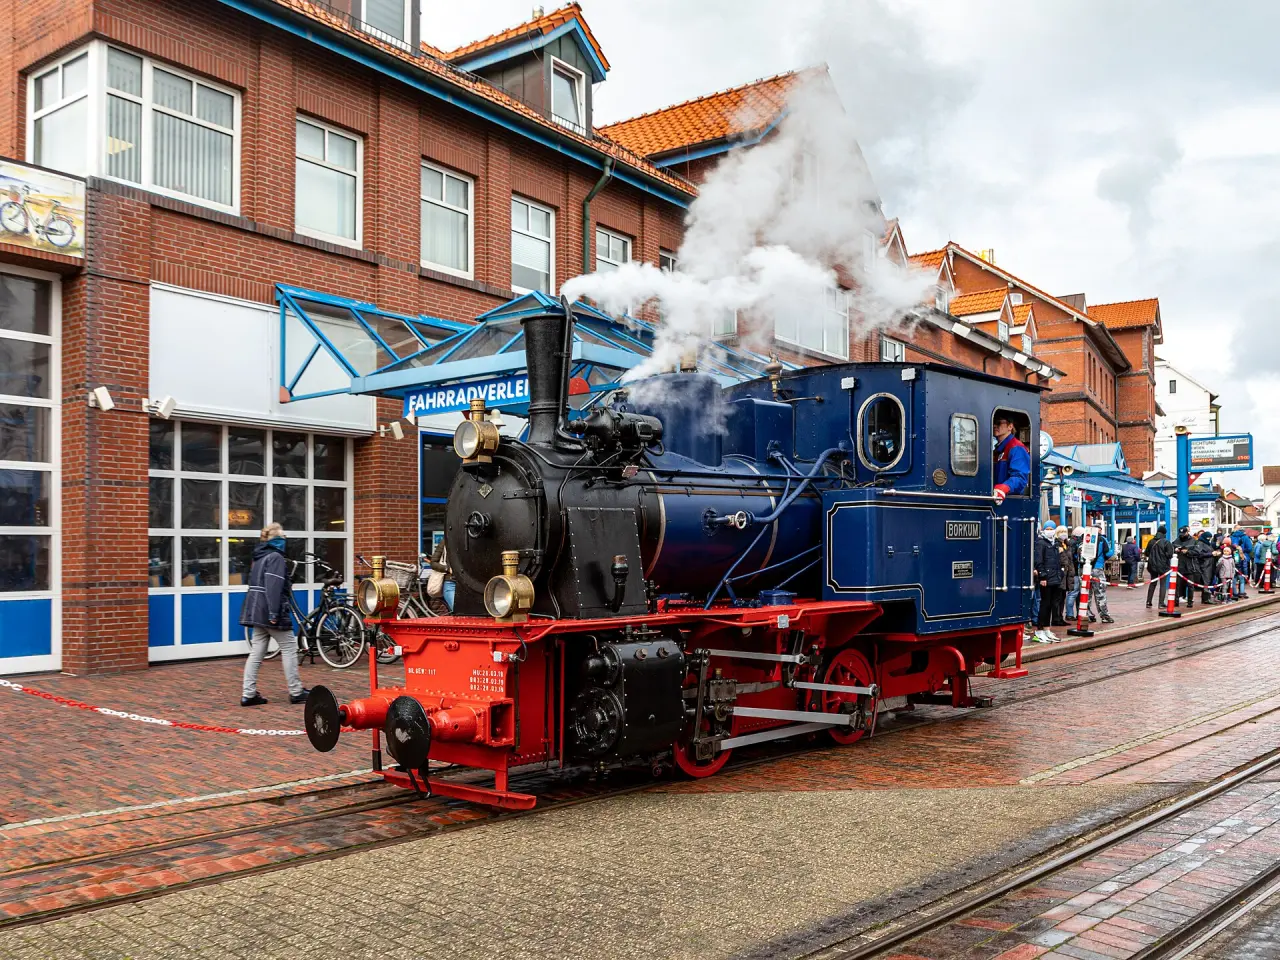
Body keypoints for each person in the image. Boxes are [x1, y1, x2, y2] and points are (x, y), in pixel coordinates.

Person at [239, 523, 309, 708]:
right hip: (269, 610)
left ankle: (248, 693)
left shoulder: (259, 557)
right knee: (289, 647)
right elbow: (273, 587)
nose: (285, 541)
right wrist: (273, 612)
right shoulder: (275, 557)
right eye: (283, 537)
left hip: (256, 609)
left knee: (257, 651)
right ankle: (296, 691)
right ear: (278, 540)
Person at [1032, 520, 1065, 642]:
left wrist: (1060, 574)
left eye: (1052, 529)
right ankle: (1039, 630)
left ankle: (1047, 629)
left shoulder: (1054, 543)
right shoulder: (1041, 543)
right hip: (1046, 579)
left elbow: (1057, 561)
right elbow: (1038, 561)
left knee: (1051, 605)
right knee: (1044, 605)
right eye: (1048, 529)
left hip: (1055, 578)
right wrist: (1043, 577)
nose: (1050, 531)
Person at [992, 415, 1030, 504]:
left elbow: (1020, 478)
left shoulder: (1017, 448)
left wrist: (1004, 488)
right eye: (993, 422)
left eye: (998, 423)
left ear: (1010, 426)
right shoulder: (998, 450)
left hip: (1008, 501)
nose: (994, 425)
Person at [1089, 523, 1115, 624]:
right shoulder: (1102, 539)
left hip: (1084, 570)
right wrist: (1112, 551)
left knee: (1087, 593)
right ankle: (1104, 616)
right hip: (1097, 568)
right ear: (1099, 530)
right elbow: (1108, 553)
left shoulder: (1085, 538)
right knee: (1100, 593)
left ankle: (1087, 614)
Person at [1144, 526, 1174, 608]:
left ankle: (1148, 602)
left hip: (1152, 566)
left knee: (1153, 583)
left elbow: (1146, 553)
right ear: (1164, 533)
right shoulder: (1166, 542)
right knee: (1163, 584)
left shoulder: (1151, 541)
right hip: (1163, 566)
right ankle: (1161, 603)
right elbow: (1170, 555)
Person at [1055, 525, 1076, 626]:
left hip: (1067, 575)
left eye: (1065, 532)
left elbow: (1069, 560)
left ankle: (1060, 617)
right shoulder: (1056, 544)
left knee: (1062, 597)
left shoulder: (1067, 545)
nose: (1063, 534)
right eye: (1061, 532)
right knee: (1057, 598)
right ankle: (1056, 618)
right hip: (1060, 575)